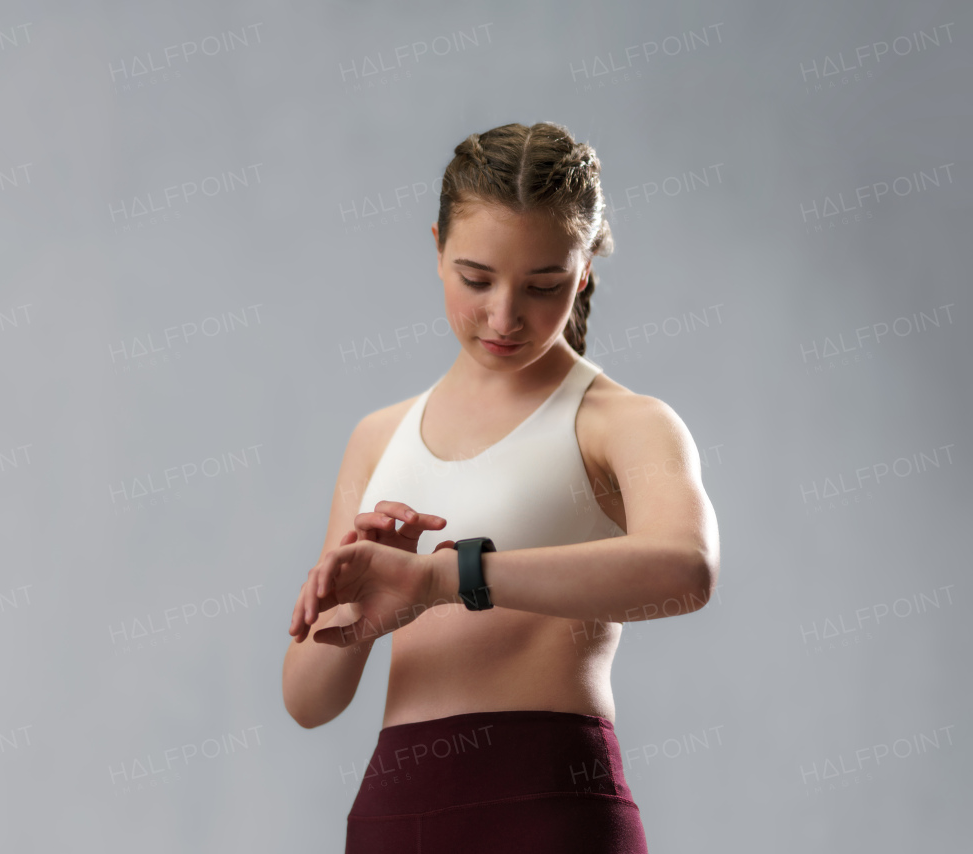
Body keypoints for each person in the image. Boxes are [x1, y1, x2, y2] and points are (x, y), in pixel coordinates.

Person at [282, 121, 720, 853]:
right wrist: (364, 606)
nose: (505, 315)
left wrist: (446, 578)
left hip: (551, 810)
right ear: (436, 249)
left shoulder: (623, 423)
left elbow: (687, 572)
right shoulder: (377, 436)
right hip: (395, 815)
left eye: (543, 284)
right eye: (475, 279)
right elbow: (307, 700)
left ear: (582, 271)